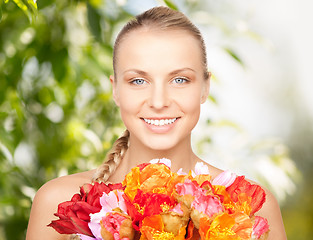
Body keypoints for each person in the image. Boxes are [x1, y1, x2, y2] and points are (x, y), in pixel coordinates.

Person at [26, 6, 287, 240]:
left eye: (180, 80)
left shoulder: (250, 208)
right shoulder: (61, 202)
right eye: (138, 81)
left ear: (205, 87)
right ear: (115, 90)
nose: (159, 101)